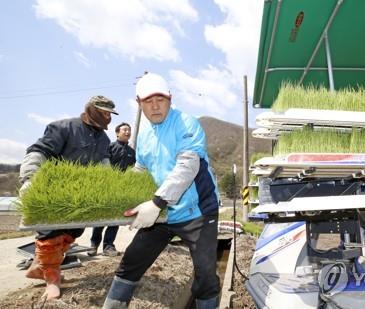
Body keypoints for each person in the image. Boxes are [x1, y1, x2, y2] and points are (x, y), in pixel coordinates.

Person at [102, 73, 220, 309]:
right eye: (148, 101)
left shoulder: (186, 124)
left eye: (161, 100)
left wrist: (156, 202)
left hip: (197, 212)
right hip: (162, 214)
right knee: (132, 262)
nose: (155, 106)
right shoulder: (144, 134)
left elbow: (188, 165)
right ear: (139, 103)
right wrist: (123, 200)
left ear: (170, 99)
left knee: (205, 274)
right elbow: (140, 169)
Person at [19, 95, 118, 301]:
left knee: (73, 231)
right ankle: (52, 279)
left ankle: (40, 267)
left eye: (110, 114)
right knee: (51, 234)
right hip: (54, 192)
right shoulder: (63, 127)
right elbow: (39, 151)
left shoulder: (104, 139)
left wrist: (110, 189)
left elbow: (103, 165)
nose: (108, 117)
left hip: (80, 196)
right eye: (104, 112)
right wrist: (29, 178)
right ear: (91, 110)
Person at [88, 122, 136, 257]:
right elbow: (102, 164)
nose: (127, 132)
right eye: (124, 130)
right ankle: (94, 244)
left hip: (121, 189)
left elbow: (132, 170)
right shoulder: (109, 147)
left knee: (115, 217)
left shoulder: (132, 152)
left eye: (129, 130)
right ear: (117, 133)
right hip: (106, 187)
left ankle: (108, 246)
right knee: (102, 216)